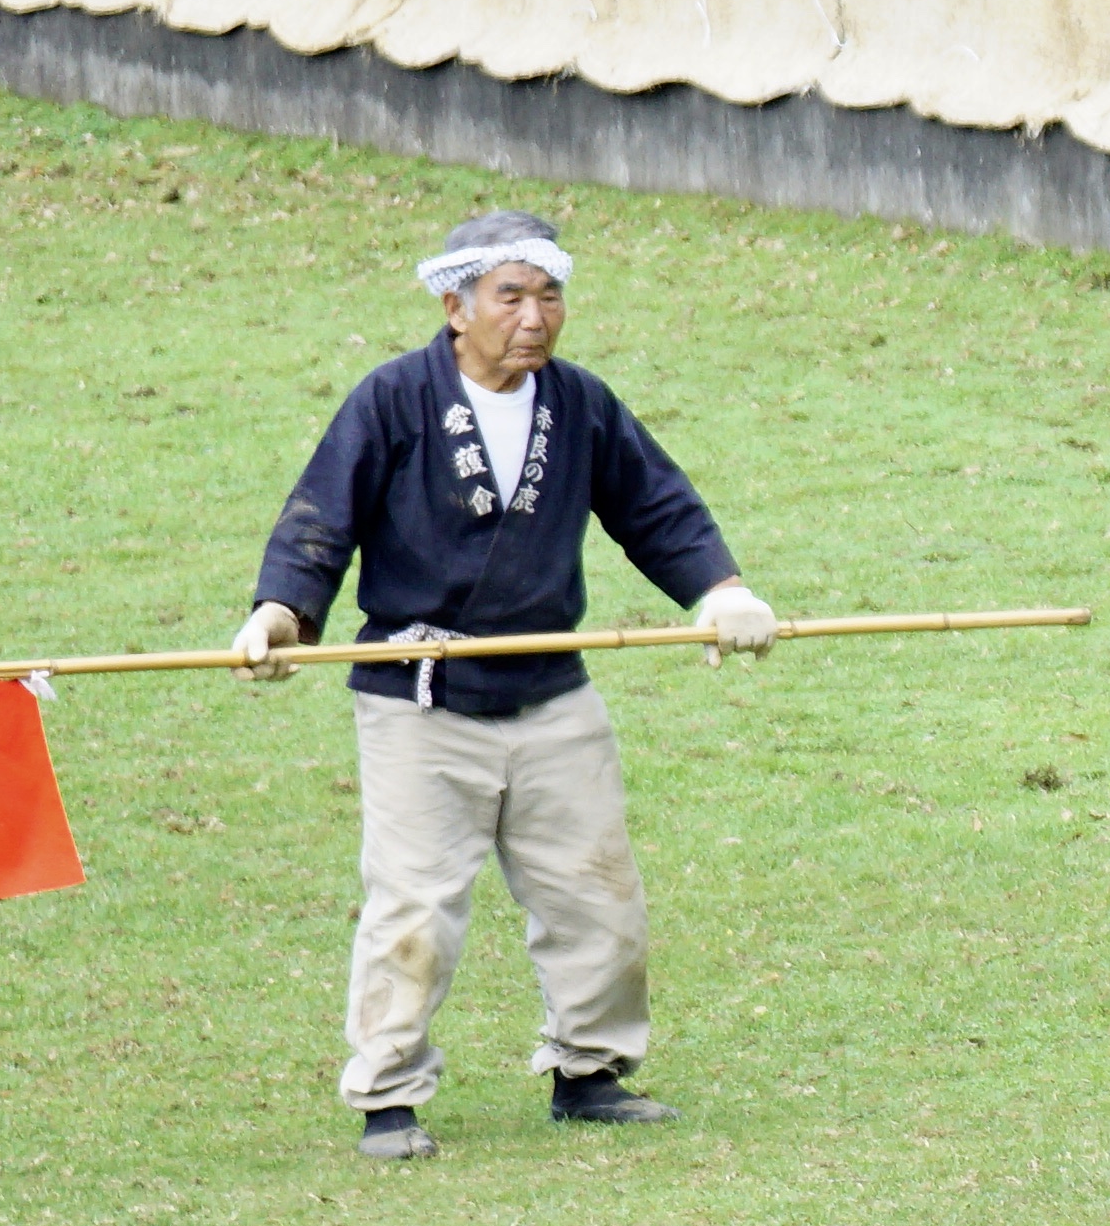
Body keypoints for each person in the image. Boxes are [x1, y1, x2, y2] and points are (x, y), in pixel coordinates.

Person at [233, 213, 776, 1162]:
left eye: (549, 294)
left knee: (597, 896)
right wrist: (281, 614)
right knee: (413, 907)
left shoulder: (582, 405)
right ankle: (390, 1097)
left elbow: (656, 507)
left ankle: (590, 1072)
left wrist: (723, 593)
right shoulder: (394, 399)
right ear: (456, 307)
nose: (534, 317)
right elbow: (322, 516)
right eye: (509, 296)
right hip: (418, 697)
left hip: (551, 692)